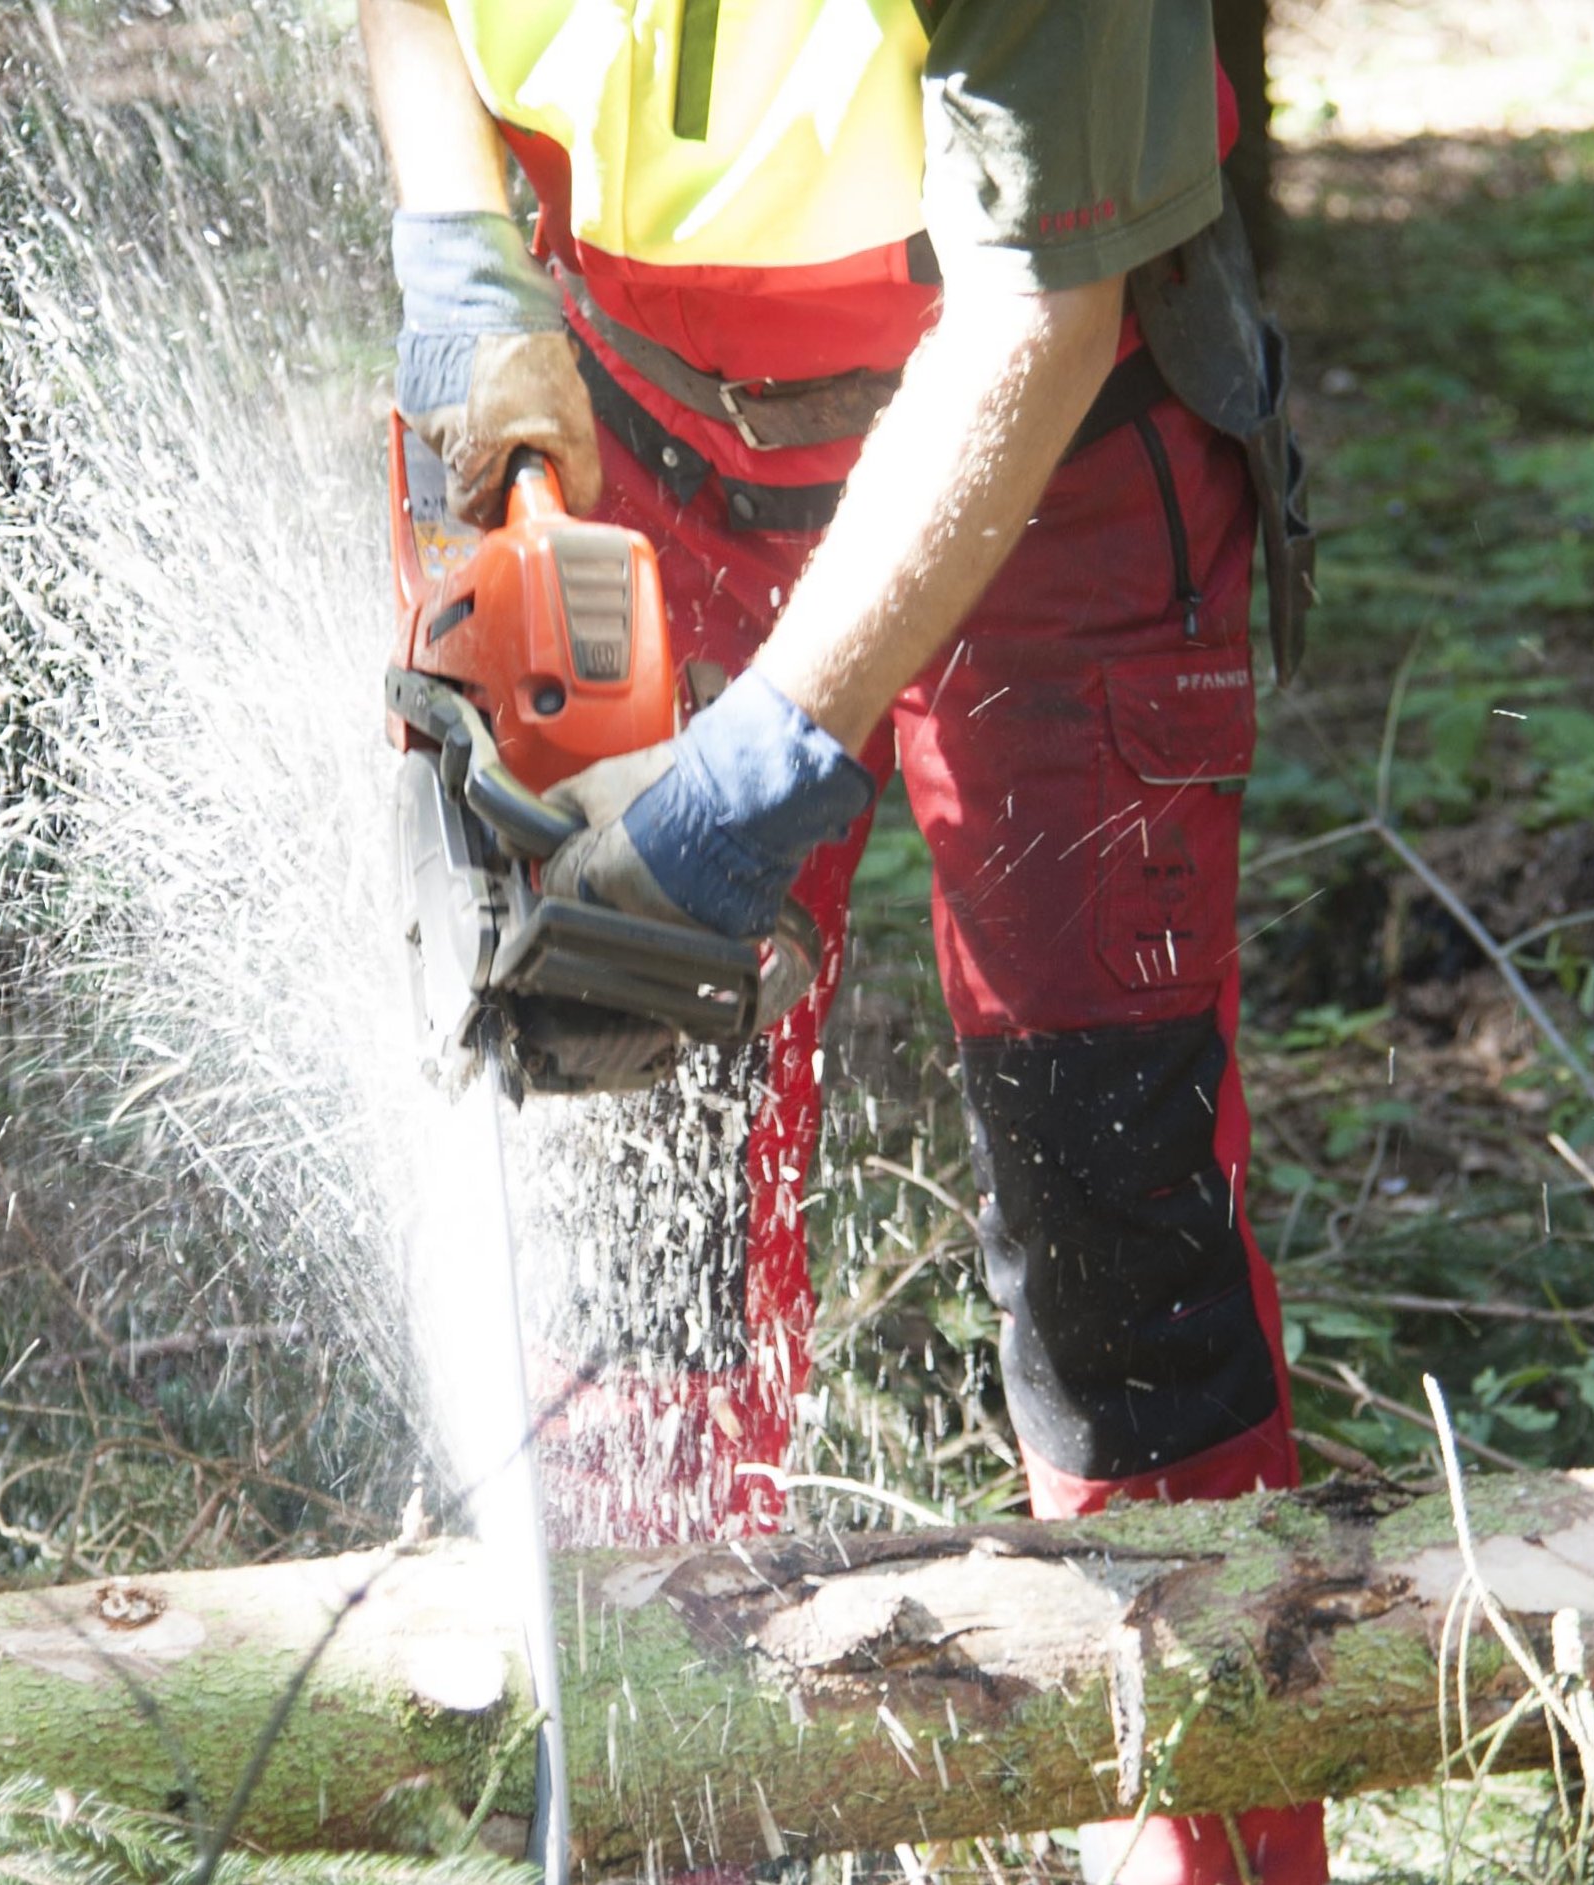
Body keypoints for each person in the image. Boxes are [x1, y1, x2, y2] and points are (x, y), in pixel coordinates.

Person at [357, 6, 1322, 1882]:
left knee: (1121, 1250)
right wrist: (461, 257)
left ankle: (1201, 1833)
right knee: (640, 1254)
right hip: (640, 420)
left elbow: (1036, 317)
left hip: (1046, 434)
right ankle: (663, 1828)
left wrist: (758, 771)